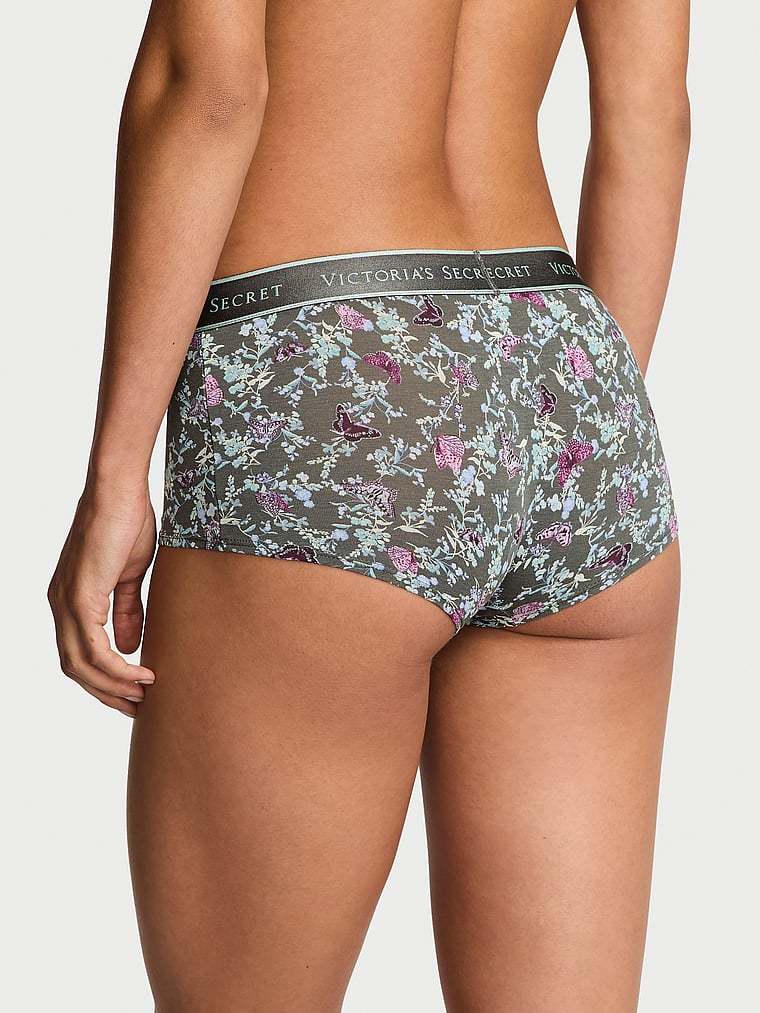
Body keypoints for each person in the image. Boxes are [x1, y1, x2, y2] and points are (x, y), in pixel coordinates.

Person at [48, 1, 689, 1009]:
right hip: (570, 369)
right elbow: (651, 114)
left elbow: (206, 90)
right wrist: (569, 429)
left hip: (333, 359)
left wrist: (115, 473)